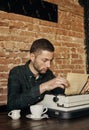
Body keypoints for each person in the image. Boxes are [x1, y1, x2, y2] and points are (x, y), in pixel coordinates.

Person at [7, 38, 69, 115]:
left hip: (46, 122)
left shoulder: (48, 73)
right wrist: (43, 87)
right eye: (44, 60)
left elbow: (60, 93)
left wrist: (77, 88)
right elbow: (12, 105)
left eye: (51, 61)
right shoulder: (17, 72)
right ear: (32, 57)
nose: (48, 65)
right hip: (22, 124)